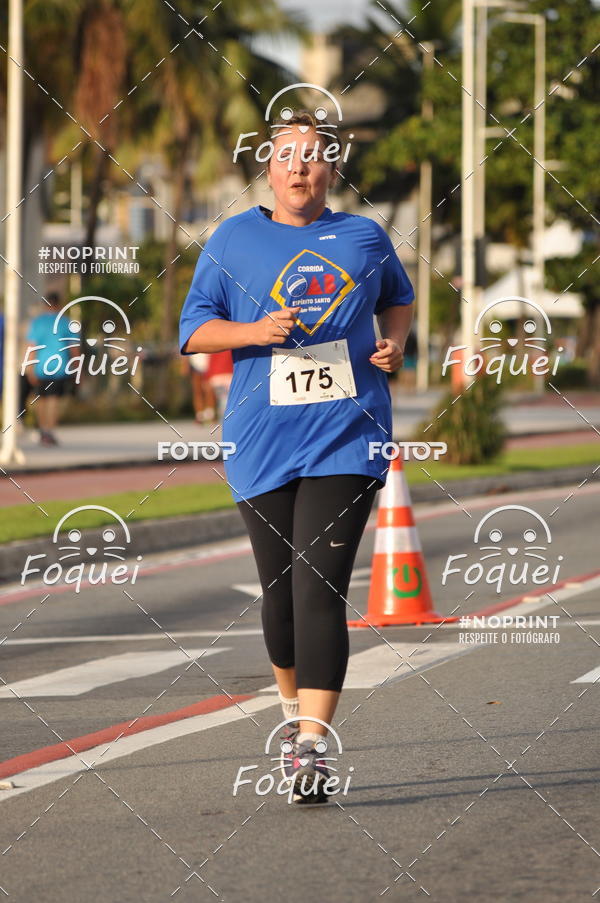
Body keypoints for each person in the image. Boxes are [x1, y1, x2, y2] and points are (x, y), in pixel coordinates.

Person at [179, 111, 414, 804]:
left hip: (348, 435)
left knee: (320, 587)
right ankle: (291, 715)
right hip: (260, 442)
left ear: (331, 170)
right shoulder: (232, 238)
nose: (301, 168)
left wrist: (394, 344)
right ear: (270, 166)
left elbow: (399, 298)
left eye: (314, 157)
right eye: (289, 156)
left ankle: (312, 745)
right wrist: (253, 330)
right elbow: (193, 330)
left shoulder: (363, 237)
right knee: (279, 595)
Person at [23, 292, 78, 446]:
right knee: (54, 399)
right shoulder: (66, 322)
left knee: (41, 399)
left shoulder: (37, 322)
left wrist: (30, 368)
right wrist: (77, 367)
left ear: (45, 304)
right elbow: (74, 349)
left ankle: (42, 431)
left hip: (41, 366)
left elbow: (32, 347)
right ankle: (50, 432)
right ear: (59, 304)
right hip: (60, 366)